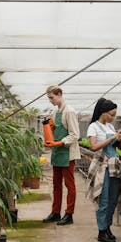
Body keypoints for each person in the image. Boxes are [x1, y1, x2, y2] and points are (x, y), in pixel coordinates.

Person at [86, 98, 121, 242]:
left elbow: (119, 148)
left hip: (113, 166)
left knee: (113, 199)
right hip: (102, 166)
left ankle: (107, 227)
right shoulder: (93, 127)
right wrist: (111, 138)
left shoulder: (110, 127)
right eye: (111, 115)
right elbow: (93, 147)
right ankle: (101, 231)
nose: (113, 118)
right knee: (104, 199)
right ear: (104, 113)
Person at [42, 85, 81, 226]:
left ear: (59, 94)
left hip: (67, 153)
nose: (50, 100)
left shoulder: (69, 111)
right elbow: (55, 128)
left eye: (52, 97)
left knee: (69, 185)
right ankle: (55, 212)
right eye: (49, 98)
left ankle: (69, 214)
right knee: (56, 184)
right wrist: (50, 127)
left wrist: (59, 143)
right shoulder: (55, 111)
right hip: (57, 152)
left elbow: (75, 135)